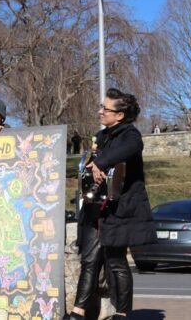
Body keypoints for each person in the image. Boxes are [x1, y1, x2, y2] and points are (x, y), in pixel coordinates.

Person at [65, 88, 157, 320]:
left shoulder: (130, 135)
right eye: (101, 107)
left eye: (105, 109)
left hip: (119, 209)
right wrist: (92, 164)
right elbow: (92, 164)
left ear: (120, 115)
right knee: (89, 258)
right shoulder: (103, 135)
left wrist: (102, 162)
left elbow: (130, 149)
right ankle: (78, 311)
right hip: (96, 207)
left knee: (116, 262)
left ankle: (122, 313)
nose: (100, 111)